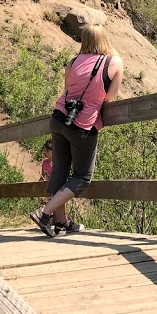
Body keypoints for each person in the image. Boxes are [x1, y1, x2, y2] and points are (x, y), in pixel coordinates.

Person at [31, 24, 123, 237]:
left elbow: (67, 90)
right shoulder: (114, 62)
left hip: (59, 118)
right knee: (82, 176)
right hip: (83, 125)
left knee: (60, 172)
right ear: (104, 39)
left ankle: (61, 222)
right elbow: (109, 99)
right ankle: (44, 213)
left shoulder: (72, 62)